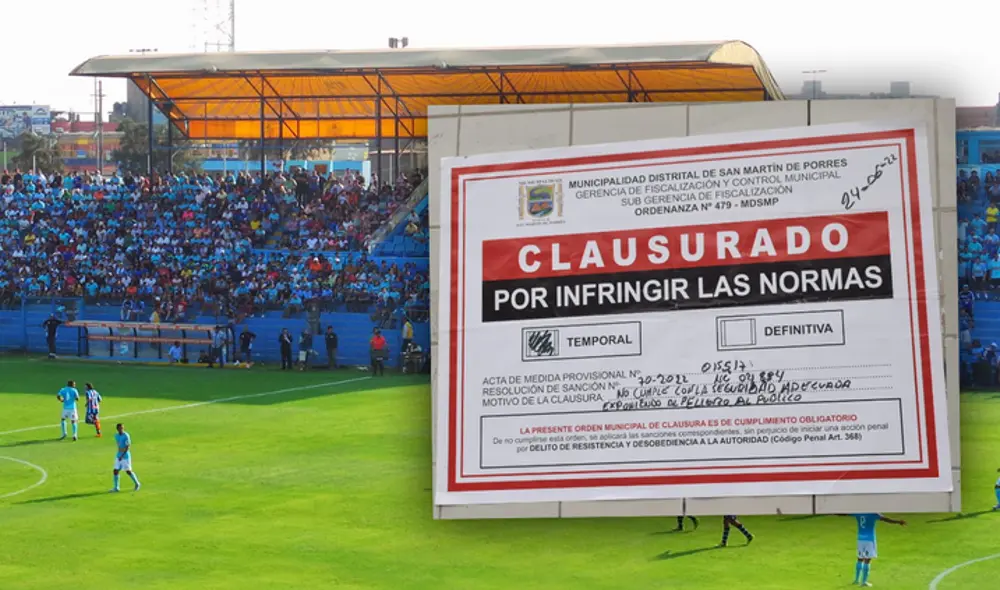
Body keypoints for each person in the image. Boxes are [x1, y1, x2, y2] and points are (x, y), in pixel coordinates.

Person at [847, 513, 906, 587]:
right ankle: (864, 582)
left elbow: (845, 513)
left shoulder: (858, 513)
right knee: (867, 560)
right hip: (869, 539)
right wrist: (898, 522)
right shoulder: (873, 514)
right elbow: (887, 519)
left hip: (860, 539)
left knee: (860, 558)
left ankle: (856, 580)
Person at [111, 423, 141, 493]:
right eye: (120, 428)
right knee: (115, 471)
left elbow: (128, 447)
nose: (122, 429)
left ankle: (137, 483)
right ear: (117, 429)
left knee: (128, 471)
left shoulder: (126, 436)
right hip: (118, 455)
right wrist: (119, 454)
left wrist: (122, 455)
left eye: (122, 428)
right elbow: (118, 445)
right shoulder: (116, 436)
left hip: (125, 456)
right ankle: (116, 487)